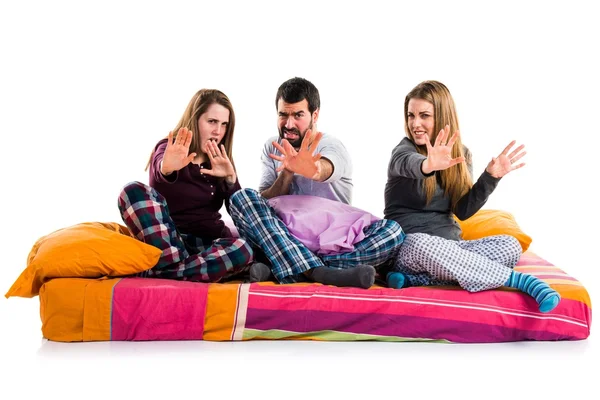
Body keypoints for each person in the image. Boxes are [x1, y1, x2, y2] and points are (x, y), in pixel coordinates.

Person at [383, 80, 560, 312]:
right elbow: (407, 164)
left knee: (510, 245)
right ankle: (519, 281)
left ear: (443, 115)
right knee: (422, 242)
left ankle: (419, 281)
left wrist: (490, 177)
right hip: (410, 250)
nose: (415, 123)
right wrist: (428, 164)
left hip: (452, 248)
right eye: (411, 116)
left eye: (424, 115)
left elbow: (463, 211)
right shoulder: (404, 150)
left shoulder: (461, 155)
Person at [229, 77, 404, 288]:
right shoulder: (272, 147)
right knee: (242, 198)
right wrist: (287, 173)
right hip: (282, 236)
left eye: (298, 115)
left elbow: (325, 168)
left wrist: (312, 169)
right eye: (283, 114)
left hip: (332, 242)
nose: (289, 124)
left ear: (315, 115)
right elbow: (262, 202)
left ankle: (285, 268)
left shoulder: (332, 146)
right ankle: (319, 272)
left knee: (393, 233)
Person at [117, 89, 255, 282]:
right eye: (212, 122)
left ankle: (165, 273)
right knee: (131, 191)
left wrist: (230, 179)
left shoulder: (219, 160)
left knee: (243, 249)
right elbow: (159, 169)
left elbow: (242, 215)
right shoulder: (171, 148)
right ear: (195, 119)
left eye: (224, 124)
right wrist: (167, 168)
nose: (218, 131)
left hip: (207, 244)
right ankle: (187, 270)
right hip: (169, 242)